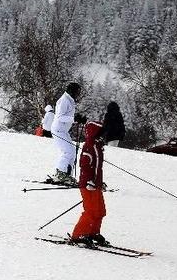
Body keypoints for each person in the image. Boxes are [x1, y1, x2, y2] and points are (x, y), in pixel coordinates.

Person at [70, 116, 108, 246]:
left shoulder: (98, 146)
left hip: (95, 185)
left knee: (100, 210)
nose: (103, 137)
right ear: (94, 133)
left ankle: (92, 232)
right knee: (90, 210)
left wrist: (99, 182)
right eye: (101, 134)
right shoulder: (89, 147)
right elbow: (85, 166)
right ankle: (78, 235)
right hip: (87, 185)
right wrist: (90, 181)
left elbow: (97, 167)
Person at [51, 82, 83, 184]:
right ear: (71, 90)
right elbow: (60, 117)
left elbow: (68, 115)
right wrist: (74, 118)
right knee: (68, 151)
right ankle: (60, 173)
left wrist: (78, 119)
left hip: (63, 131)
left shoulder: (70, 100)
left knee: (72, 151)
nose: (78, 94)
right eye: (77, 92)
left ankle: (67, 175)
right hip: (58, 130)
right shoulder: (64, 100)